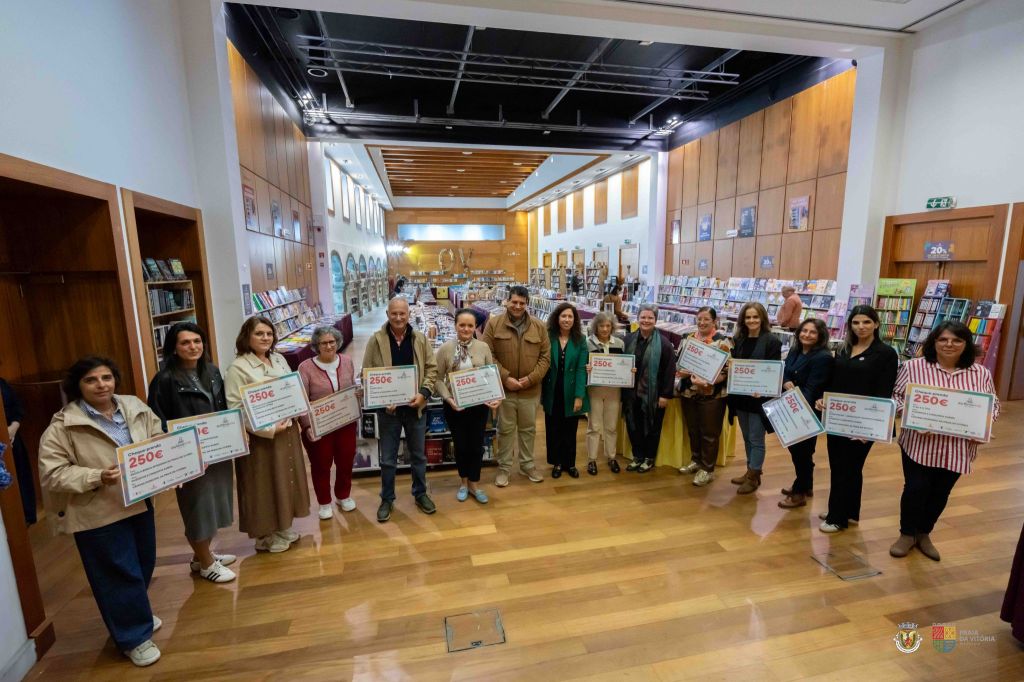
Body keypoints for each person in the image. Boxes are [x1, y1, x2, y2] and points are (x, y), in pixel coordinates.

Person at [38, 357, 165, 667]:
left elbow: (157, 435)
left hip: (139, 500)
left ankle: (134, 612)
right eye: (91, 380)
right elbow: (52, 473)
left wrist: (174, 456)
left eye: (106, 377)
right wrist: (96, 476)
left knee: (143, 562)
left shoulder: (133, 406)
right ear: (77, 386)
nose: (101, 385)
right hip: (97, 510)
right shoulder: (62, 426)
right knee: (116, 573)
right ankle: (133, 637)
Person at [890, 321, 1000, 561]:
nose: (949, 344)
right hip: (919, 444)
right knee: (915, 489)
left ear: (966, 344)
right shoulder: (913, 367)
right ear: (934, 342)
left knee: (941, 493)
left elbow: (992, 404)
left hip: (957, 447)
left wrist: (984, 425)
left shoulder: (980, 372)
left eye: (957, 340)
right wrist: (913, 417)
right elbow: (895, 397)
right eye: (943, 339)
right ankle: (906, 533)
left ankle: (924, 532)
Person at [147, 323, 236, 583]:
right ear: (174, 348)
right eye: (185, 342)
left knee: (214, 504)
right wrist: (177, 453)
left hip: (217, 449)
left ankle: (202, 555)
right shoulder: (164, 380)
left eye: (197, 341)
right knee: (197, 507)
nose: (193, 346)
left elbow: (223, 408)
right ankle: (207, 564)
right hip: (189, 455)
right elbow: (157, 420)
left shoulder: (211, 371)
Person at [225, 316, 310, 553]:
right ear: (247, 337)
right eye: (259, 334)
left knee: (284, 479)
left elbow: (291, 389)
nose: (265, 338)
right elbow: (235, 408)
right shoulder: (238, 368)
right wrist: (269, 429)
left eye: (269, 334)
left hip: (287, 430)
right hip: (262, 438)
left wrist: (297, 412)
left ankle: (282, 526)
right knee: (263, 484)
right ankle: (264, 534)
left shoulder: (279, 359)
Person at [814, 306, 898, 533]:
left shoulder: (886, 354)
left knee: (848, 467)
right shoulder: (844, 349)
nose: (861, 327)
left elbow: (884, 392)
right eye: (856, 322)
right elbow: (834, 381)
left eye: (866, 322)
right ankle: (848, 510)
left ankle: (837, 518)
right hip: (838, 417)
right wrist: (823, 399)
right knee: (840, 466)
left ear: (876, 324)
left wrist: (870, 429)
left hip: (864, 421)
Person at [362, 296, 439, 522]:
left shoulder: (420, 339)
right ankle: (387, 498)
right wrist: (381, 399)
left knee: (418, 456)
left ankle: (420, 493)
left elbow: (432, 369)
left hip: (416, 409)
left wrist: (423, 394)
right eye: (394, 313)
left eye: (402, 313)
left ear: (408, 314)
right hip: (389, 412)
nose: (398, 317)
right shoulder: (375, 340)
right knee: (388, 459)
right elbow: (366, 373)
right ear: (387, 314)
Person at [482, 285, 550, 487]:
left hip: (530, 391)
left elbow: (545, 358)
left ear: (527, 303)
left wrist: (531, 379)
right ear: (507, 301)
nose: (518, 306)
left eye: (522, 303)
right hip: (505, 391)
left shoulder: (539, 326)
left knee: (528, 430)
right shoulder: (493, 324)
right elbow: (487, 355)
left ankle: (527, 465)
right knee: (505, 430)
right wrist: (505, 378)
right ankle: (504, 468)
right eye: (514, 302)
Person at [434, 309, 501, 503]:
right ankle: (463, 483)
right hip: (454, 407)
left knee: (476, 446)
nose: (466, 329)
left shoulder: (483, 347)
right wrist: (448, 398)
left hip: (479, 407)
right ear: (455, 325)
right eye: (462, 325)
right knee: (461, 445)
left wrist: (496, 397)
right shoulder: (445, 349)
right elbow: (437, 379)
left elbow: (490, 374)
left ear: (475, 327)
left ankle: (474, 484)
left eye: (470, 325)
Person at [296, 326, 358, 520]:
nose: (329, 346)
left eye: (332, 342)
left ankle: (343, 495)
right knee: (321, 464)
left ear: (338, 342)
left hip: (346, 423)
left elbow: (352, 386)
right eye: (324, 343)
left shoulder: (347, 361)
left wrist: (359, 394)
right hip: (319, 426)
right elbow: (301, 400)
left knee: (345, 461)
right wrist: (307, 425)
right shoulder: (305, 367)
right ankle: (324, 502)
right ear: (316, 345)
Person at [727, 302, 782, 495]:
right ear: (743, 320)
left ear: (762, 318)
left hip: (759, 398)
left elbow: (774, 370)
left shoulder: (772, 341)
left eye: (755, 317)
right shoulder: (738, 339)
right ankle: (751, 470)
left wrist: (764, 388)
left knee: (756, 438)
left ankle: (753, 476)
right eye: (748, 317)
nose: (751, 320)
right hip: (741, 396)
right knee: (746, 437)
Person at [778, 318, 833, 509]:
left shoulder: (823, 357)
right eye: (804, 330)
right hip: (792, 406)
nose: (806, 335)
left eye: (812, 332)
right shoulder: (796, 350)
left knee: (802, 452)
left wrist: (796, 402)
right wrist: (786, 382)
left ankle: (799, 492)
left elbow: (813, 388)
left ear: (820, 336)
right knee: (798, 451)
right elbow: (784, 370)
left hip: (807, 411)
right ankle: (806, 484)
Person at [677, 307, 731, 487]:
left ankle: (707, 469)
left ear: (714, 321)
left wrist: (708, 381)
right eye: (699, 318)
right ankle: (696, 460)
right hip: (689, 391)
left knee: (710, 433)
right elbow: (679, 364)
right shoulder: (687, 338)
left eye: (706, 319)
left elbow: (727, 371)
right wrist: (683, 372)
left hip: (712, 394)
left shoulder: (722, 341)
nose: (702, 322)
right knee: (693, 429)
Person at [622, 304, 675, 472]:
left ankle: (649, 458)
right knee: (633, 425)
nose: (646, 320)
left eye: (650, 317)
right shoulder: (628, 340)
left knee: (652, 427)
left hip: (654, 395)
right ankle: (637, 456)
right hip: (631, 394)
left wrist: (665, 395)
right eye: (643, 317)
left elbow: (669, 371)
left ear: (655, 320)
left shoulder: (665, 344)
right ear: (637, 318)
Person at [541, 303, 589, 478]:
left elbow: (581, 369)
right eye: (563, 316)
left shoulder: (580, 340)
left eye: (570, 316)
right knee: (553, 428)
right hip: (552, 390)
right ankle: (557, 463)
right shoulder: (548, 337)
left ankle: (570, 463)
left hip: (571, 391)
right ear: (557, 318)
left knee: (570, 428)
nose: (567, 320)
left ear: (575, 320)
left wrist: (579, 396)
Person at [584, 311, 625, 475]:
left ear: (612, 327)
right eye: (601, 326)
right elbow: (582, 365)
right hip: (595, 389)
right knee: (594, 426)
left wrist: (630, 371)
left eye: (608, 326)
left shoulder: (619, 343)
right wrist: (586, 368)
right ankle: (591, 459)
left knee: (611, 426)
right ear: (596, 327)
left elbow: (623, 365)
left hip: (614, 390)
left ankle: (611, 457)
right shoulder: (587, 343)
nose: (605, 329)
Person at [1, 377, 35, 525]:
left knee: (21, 474)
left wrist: (13, 428)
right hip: (2, 437)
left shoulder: (1, 382)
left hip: (12, 434)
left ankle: (26, 517)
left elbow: (17, 406)